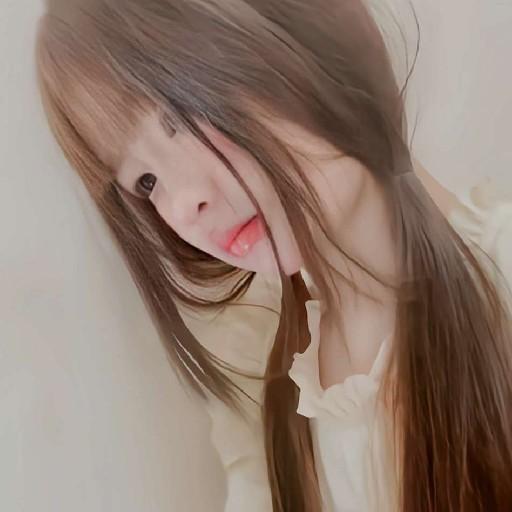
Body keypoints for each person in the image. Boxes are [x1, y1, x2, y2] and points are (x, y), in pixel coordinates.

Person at [35, 1, 512, 511]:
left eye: (180, 117)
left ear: (297, 32)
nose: (181, 204)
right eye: (146, 182)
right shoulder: (265, 377)